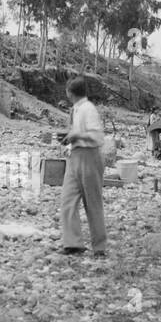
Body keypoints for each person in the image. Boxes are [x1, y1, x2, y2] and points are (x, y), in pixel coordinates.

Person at [59, 76, 108, 256]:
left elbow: (97, 136)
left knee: (92, 202)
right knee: (67, 200)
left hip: (89, 156)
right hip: (75, 155)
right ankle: (73, 243)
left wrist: (75, 135)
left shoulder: (88, 109)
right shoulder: (76, 109)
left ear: (69, 93)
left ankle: (99, 246)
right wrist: (70, 140)